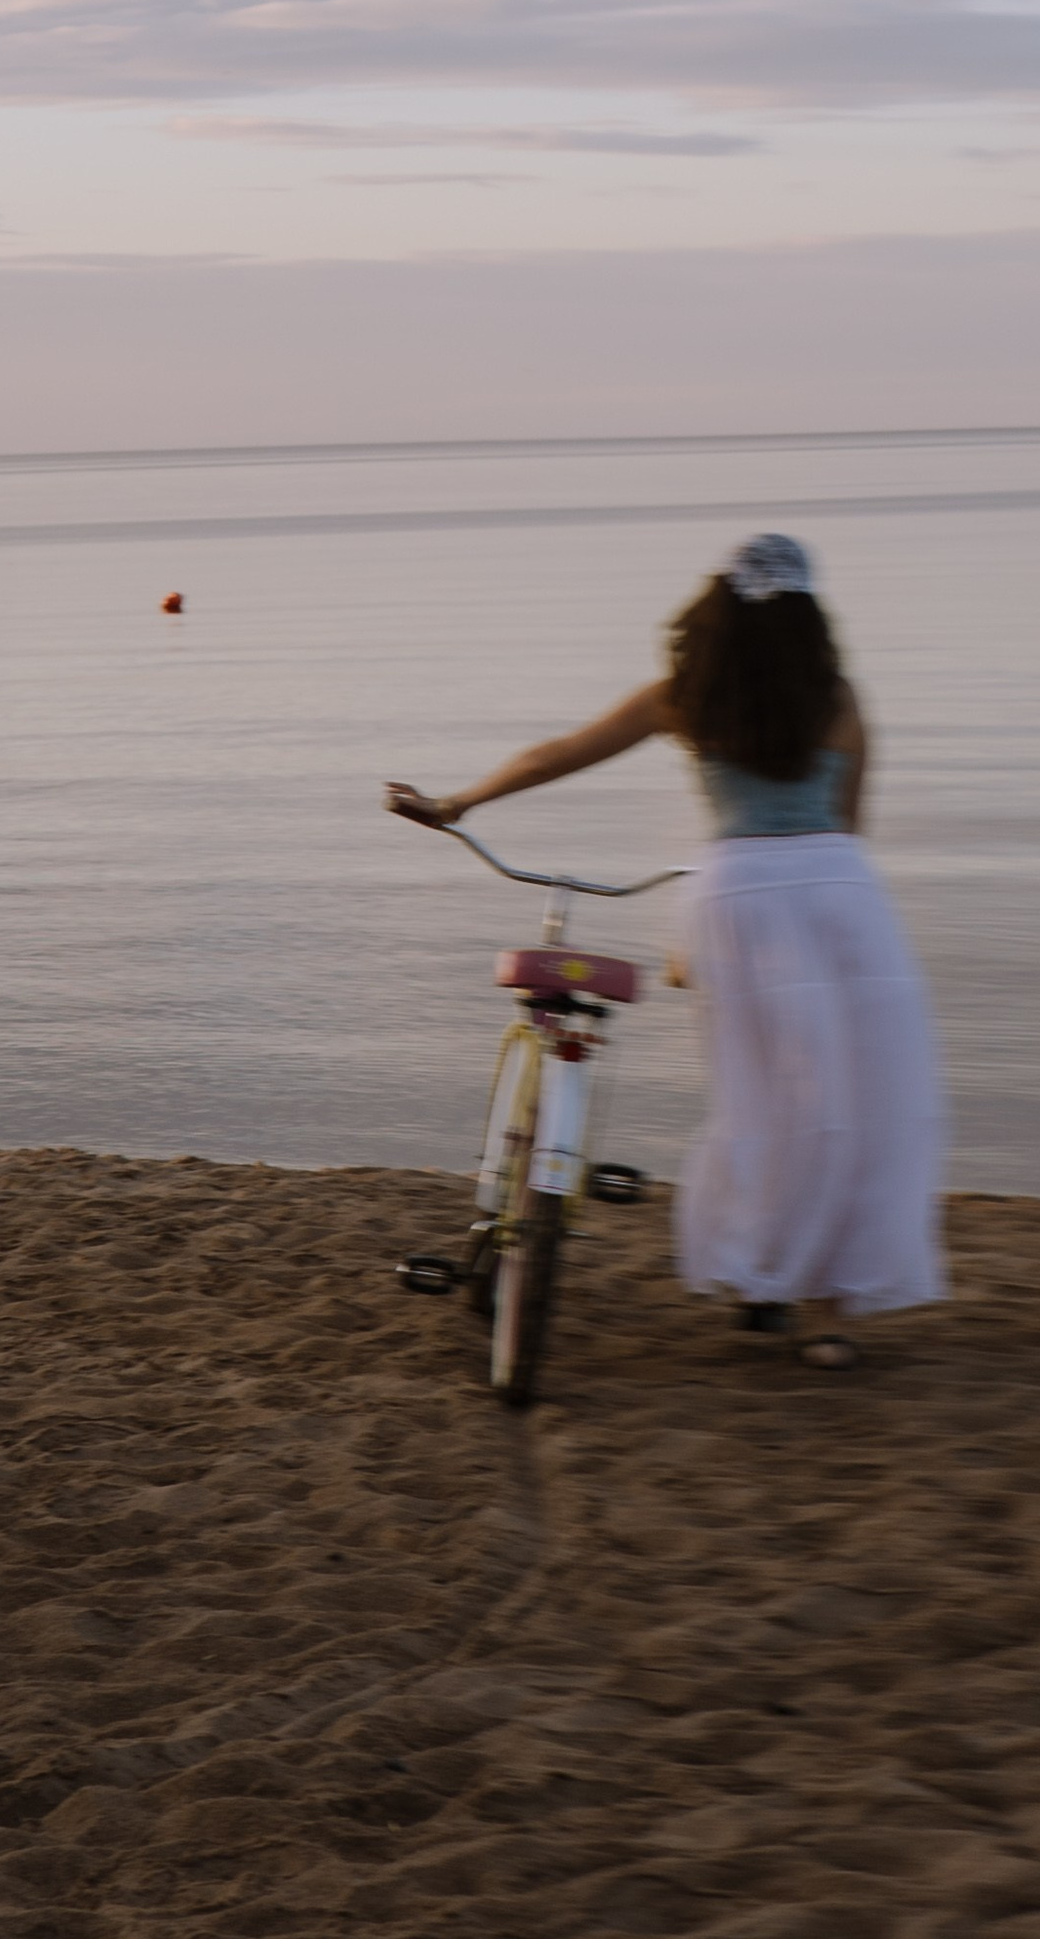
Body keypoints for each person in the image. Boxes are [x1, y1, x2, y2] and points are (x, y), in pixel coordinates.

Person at [386, 532, 948, 1369]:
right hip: (841, 896)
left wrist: (458, 803)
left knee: (759, 1102)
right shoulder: (839, 698)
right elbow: (849, 827)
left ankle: (764, 1286)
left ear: (713, 611)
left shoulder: (685, 696)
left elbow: (558, 753)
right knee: (847, 1104)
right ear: (808, 615)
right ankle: (829, 1315)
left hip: (735, 900)